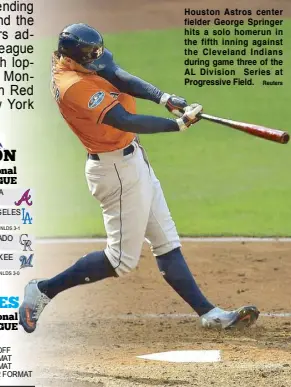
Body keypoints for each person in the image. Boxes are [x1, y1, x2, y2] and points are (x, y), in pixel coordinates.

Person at [19, 23, 259, 333]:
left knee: (165, 241)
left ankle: (209, 313)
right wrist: (178, 124)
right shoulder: (71, 85)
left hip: (133, 160)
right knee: (120, 261)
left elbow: (117, 75)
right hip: (115, 172)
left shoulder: (85, 57)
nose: (96, 63)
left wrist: (164, 97)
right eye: (89, 60)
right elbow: (123, 119)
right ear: (72, 58)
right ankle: (43, 290)